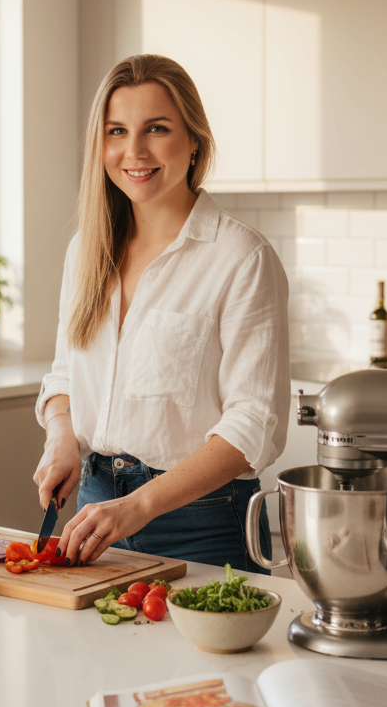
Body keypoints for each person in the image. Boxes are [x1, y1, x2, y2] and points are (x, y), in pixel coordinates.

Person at [34, 54, 290, 572]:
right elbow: (66, 373)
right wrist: (62, 437)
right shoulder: (86, 250)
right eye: (117, 131)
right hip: (98, 507)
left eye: (157, 128)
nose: (134, 151)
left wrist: (140, 506)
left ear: (194, 140)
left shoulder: (241, 257)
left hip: (207, 524)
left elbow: (251, 425)